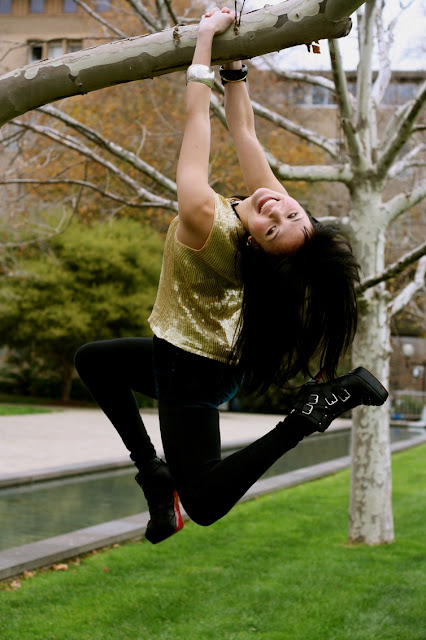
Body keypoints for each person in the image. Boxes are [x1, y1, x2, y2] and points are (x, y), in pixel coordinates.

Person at [75, 8, 388, 544]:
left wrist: (204, 41)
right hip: (198, 350)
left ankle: (307, 415)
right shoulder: (274, 213)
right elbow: (242, 129)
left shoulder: (204, 217)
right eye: (291, 212)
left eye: (273, 227)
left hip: (190, 368)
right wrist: (235, 68)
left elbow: (197, 122)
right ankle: (153, 473)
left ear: (255, 246)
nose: (275, 208)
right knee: (93, 362)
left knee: (203, 503)